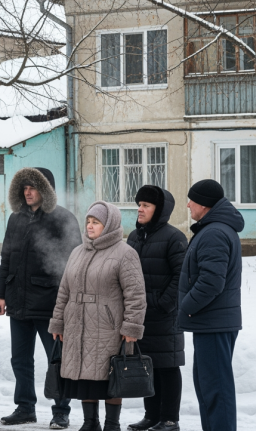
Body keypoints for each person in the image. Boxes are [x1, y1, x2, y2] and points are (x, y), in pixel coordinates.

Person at [0, 167, 82, 429]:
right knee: (20, 359)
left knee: (56, 359)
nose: (28, 192)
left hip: (49, 303)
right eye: (24, 187)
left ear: (46, 190)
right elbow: (7, 257)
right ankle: (24, 407)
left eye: (33, 187)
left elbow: (73, 264)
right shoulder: (15, 219)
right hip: (18, 301)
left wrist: (66, 304)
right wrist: (0, 294)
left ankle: (61, 410)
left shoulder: (63, 219)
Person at [49, 201, 146, 431]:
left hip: (108, 327)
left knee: (110, 377)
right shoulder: (78, 251)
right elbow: (64, 290)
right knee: (84, 376)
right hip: (77, 324)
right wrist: (58, 322)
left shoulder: (125, 253)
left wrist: (131, 327)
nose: (90, 227)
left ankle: (112, 424)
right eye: (88, 222)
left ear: (109, 224)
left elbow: (136, 295)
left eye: (96, 222)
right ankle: (90, 423)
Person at [179, 179, 244, 431]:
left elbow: (211, 282)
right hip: (212, 322)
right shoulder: (213, 229)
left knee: (216, 390)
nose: (188, 205)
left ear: (204, 205)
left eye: (191, 200)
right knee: (209, 388)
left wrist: (186, 305)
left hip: (213, 322)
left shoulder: (214, 233)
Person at [125, 186, 188, 431]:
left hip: (163, 316)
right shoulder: (134, 236)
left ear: (159, 210)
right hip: (140, 315)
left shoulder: (174, 237)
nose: (140, 209)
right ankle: (151, 416)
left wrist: (163, 303)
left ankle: (170, 419)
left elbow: (182, 276)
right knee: (147, 365)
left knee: (168, 367)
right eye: (139, 204)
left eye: (146, 205)